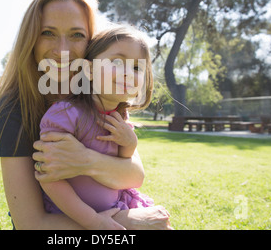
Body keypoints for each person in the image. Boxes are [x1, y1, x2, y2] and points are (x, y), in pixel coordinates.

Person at [0, 0, 171, 229]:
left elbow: (134, 175)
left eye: (76, 35)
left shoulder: (101, 96)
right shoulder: (15, 108)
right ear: (30, 39)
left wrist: (85, 160)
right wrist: (124, 222)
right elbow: (30, 224)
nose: (62, 50)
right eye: (48, 33)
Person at [38, 25, 172, 230]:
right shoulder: (66, 113)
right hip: (72, 216)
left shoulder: (120, 117)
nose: (128, 73)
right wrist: (92, 220)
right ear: (89, 70)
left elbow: (126, 170)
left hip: (117, 207)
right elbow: (48, 177)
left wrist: (129, 143)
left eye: (137, 67)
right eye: (117, 62)